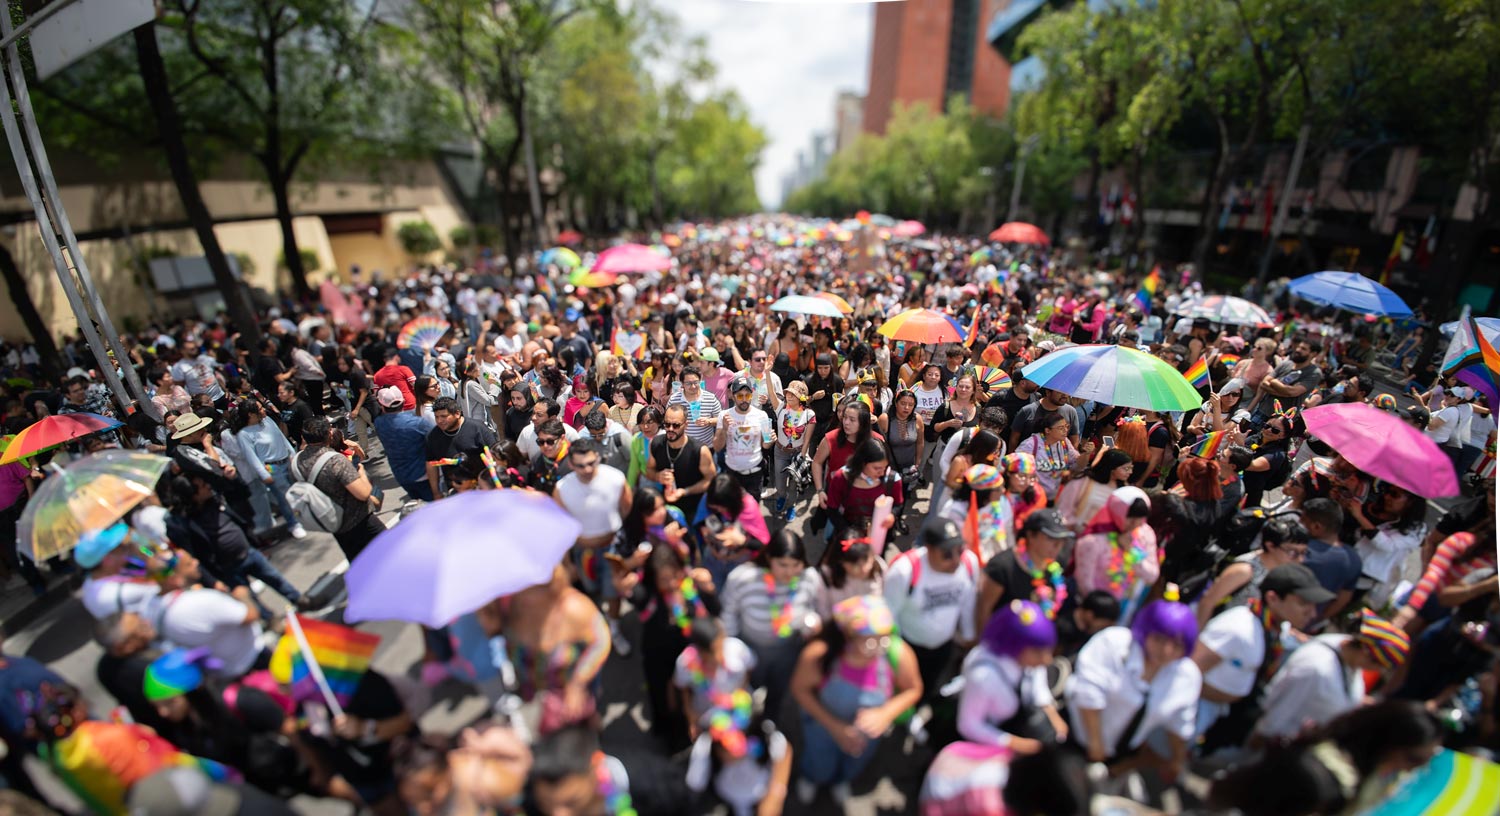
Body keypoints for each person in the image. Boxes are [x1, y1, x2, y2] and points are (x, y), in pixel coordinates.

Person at [790, 595, 921, 806]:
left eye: (885, 638)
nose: (879, 647)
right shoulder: (820, 656)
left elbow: (913, 689)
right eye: (870, 641)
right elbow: (800, 690)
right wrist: (835, 727)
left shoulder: (897, 654)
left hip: (866, 735)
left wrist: (885, 714)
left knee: (855, 762)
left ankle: (841, 780)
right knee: (818, 760)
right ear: (848, 636)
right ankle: (812, 778)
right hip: (822, 727)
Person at [1065, 597, 1202, 781]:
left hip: (1119, 751)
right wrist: (1095, 746)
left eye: (1177, 645)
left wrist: (1177, 760)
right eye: (1159, 639)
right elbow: (1089, 693)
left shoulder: (1187, 676)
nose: (1166, 651)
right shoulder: (1114, 643)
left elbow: (1180, 724)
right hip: (1075, 737)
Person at [1191, 564, 1331, 743]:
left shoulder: (1277, 630)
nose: (1312, 613)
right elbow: (1190, 670)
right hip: (1195, 708)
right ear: (1273, 598)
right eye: (1303, 603)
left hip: (1216, 714)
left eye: (1314, 605)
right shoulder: (1237, 628)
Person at [475, 565, 611, 737]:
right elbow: (494, 633)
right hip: (533, 688)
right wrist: (488, 617)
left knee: (581, 728)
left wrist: (577, 682)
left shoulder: (573, 608)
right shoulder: (509, 605)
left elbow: (602, 641)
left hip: (570, 689)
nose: (516, 592)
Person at [1253, 610, 1411, 743]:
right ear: (1365, 651)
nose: (1380, 671)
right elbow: (1276, 714)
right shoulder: (1316, 667)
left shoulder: (1349, 659)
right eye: (1380, 665)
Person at [720, 530, 823, 724]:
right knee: (744, 692)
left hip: (788, 652)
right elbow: (728, 613)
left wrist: (811, 621)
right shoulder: (743, 578)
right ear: (769, 558)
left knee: (778, 691)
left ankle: (769, 724)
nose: (789, 572)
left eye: (796, 565)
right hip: (750, 650)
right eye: (782, 564)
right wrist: (732, 649)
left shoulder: (809, 578)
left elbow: (815, 608)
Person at [885, 519, 980, 716]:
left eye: (959, 550)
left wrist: (969, 635)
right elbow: (889, 613)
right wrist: (895, 654)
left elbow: (968, 602)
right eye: (947, 553)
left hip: (944, 646)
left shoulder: (969, 563)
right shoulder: (905, 571)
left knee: (930, 686)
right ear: (928, 549)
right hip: (908, 648)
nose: (955, 560)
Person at [553, 438, 633, 654]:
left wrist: (629, 549)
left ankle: (614, 629)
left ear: (598, 458)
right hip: (583, 552)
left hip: (612, 549)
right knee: (590, 591)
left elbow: (627, 512)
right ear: (571, 464)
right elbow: (560, 529)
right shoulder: (562, 488)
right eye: (580, 465)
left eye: (591, 463)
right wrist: (567, 563)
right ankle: (595, 630)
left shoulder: (615, 478)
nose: (587, 469)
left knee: (613, 591)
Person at [957, 599, 1068, 753]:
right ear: (1015, 645)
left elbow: (1037, 684)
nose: (1047, 660)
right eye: (1038, 653)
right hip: (991, 741)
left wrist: (1051, 713)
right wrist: (1014, 743)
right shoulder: (983, 676)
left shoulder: (1030, 663)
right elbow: (969, 725)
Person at [293, 416, 383, 561]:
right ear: (329, 434)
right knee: (390, 550)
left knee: (359, 563)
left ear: (303, 437)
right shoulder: (335, 460)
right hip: (360, 520)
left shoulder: (296, 461)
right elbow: (363, 493)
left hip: (333, 522)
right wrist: (361, 473)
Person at [1195, 516, 1312, 626]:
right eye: (1293, 553)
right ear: (1270, 546)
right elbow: (1208, 602)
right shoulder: (1244, 570)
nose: (1300, 559)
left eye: (1303, 552)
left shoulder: (1282, 571)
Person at [975, 509, 1073, 633]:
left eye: (1063, 539)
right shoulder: (1003, 566)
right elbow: (984, 610)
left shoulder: (1056, 566)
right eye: (1051, 538)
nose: (1058, 545)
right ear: (1031, 535)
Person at [1072, 487, 1159, 619]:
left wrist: (1131, 551)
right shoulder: (1094, 540)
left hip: (1126, 607)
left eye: (1140, 519)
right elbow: (1085, 584)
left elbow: (1151, 576)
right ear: (1117, 511)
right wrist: (1105, 612)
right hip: (1092, 612)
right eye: (1130, 518)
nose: (1135, 524)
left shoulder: (1145, 535)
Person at [227, 395, 306, 539]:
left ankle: (303, 516)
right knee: (284, 498)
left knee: (297, 491)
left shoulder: (268, 421)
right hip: (272, 468)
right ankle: (294, 523)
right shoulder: (243, 434)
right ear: (251, 414)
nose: (264, 410)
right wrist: (264, 474)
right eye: (260, 409)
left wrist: (292, 454)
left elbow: (281, 438)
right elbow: (251, 457)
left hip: (286, 460)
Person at [1346, 482, 1428, 609]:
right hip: (1351, 561)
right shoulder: (1391, 518)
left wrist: (1360, 516)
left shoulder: (1416, 529)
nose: (1387, 497)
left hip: (1366, 574)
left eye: (1395, 495)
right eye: (1387, 492)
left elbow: (1387, 545)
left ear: (1411, 502)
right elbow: (1361, 537)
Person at [645, 404, 717, 522]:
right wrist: (657, 476)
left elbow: (711, 481)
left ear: (686, 425)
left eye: (676, 425)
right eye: (667, 424)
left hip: (695, 509)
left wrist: (685, 491)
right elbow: (649, 470)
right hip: (668, 508)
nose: (670, 429)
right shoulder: (656, 444)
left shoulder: (699, 450)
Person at [824, 439, 904, 541]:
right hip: (848, 534)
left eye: (885, 467)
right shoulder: (842, 477)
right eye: (876, 468)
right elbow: (832, 509)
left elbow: (898, 504)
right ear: (862, 463)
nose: (882, 473)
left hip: (879, 535)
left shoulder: (893, 479)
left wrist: (892, 515)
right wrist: (848, 533)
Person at [1299, 498, 1360, 622]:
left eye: (1303, 521)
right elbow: (1343, 598)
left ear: (1316, 527)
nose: (1299, 523)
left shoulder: (1301, 550)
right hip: (1308, 623)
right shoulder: (1353, 559)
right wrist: (1318, 620)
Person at [425, 396, 498, 499]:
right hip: (456, 492)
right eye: (436, 417)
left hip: (483, 488)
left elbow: (495, 457)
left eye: (444, 416)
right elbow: (431, 464)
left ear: (457, 413)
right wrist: (436, 492)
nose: (439, 420)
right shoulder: (433, 436)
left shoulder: (478, 429)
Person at [372, 386, 436, 502]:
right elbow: (437, 438)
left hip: (401, 475)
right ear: (403, 402)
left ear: (382, 406)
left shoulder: (379, 423)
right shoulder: (418, 423)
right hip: (424, 474)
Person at [715, 376, 774, 498]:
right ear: (733, 395)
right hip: (732, 473)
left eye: (747, 396)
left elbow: (765, 444)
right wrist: (724, 429)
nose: (744, 400)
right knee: (733, 511)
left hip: (755, 473)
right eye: (740, 396)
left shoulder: (761, 415)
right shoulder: (724, 415)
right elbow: (717, 446)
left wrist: (771, 440)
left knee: (751, 512)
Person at [1055, 448, 1132, 533]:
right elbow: (1064, 507)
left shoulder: (1123, 489)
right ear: (1112, 468)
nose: (1130, 472)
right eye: (1126, 468)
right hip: (1074, 532)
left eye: (1131, 468)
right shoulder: (1083, 481)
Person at [1014, 410, 1085, 500]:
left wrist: (1086, 454)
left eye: (1066, 426)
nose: (1065, 430)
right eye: (1061, 428)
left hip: (1056, 497)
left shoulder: (1065, 442)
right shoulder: (1031, 444)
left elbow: (1077, 464)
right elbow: (1015, 466)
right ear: (1048, 430)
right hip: (1034, 497)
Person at [772, 381, 815, 519]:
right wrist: (767, 373)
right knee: (779, 483)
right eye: (788, 393)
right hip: (780, 451)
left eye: (793, 394)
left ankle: (791, 506)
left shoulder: (809, 414)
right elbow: (771, 393)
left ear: (801, 398)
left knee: (793, 485)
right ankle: (781, 497)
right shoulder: (781, 408)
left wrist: (802, 455)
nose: (789, 396)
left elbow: (807, 439)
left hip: (798, 453)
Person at [668, 368, 722, 447]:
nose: (693, 386)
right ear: (682, 384)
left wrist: (709, 421)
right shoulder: (674, 399)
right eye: (688, 383)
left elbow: (720, 419)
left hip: (706, 446)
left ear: (700, 380)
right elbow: (667, 420)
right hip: (682, 446)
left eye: (696, 382)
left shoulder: (710, 398)